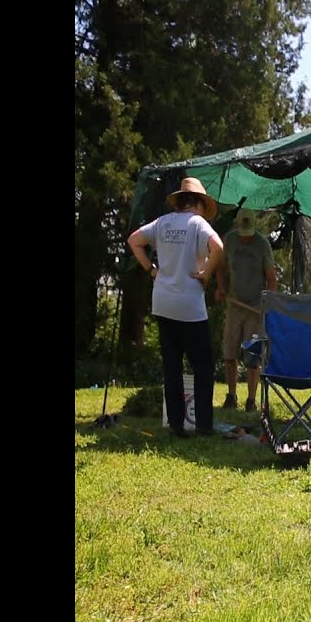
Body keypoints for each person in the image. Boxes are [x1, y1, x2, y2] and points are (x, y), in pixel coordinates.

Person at [128, 176, 225, 438]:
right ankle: (203, 425)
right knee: (202, 366)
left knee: (172, 368)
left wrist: (151, 269)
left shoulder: (162, 222)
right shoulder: (197, 223)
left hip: (163, 303)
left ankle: (176, 426)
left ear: (180, 201)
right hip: (189, 305)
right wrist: (206, 273)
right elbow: (218, 246)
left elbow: (134, 240)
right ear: (198, 203)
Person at [214, 214, 278, 412]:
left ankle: (251, 400)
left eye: (248, 234)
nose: (245, 238)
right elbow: (221, 267)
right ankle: (231, 396)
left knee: (252, 356)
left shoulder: (262, 244)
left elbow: (271, 278)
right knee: (229, 353)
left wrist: (268, 304)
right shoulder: (230, 240)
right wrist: (221, 287)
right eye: (243, 234)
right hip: (235, 304)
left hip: (255, 307)